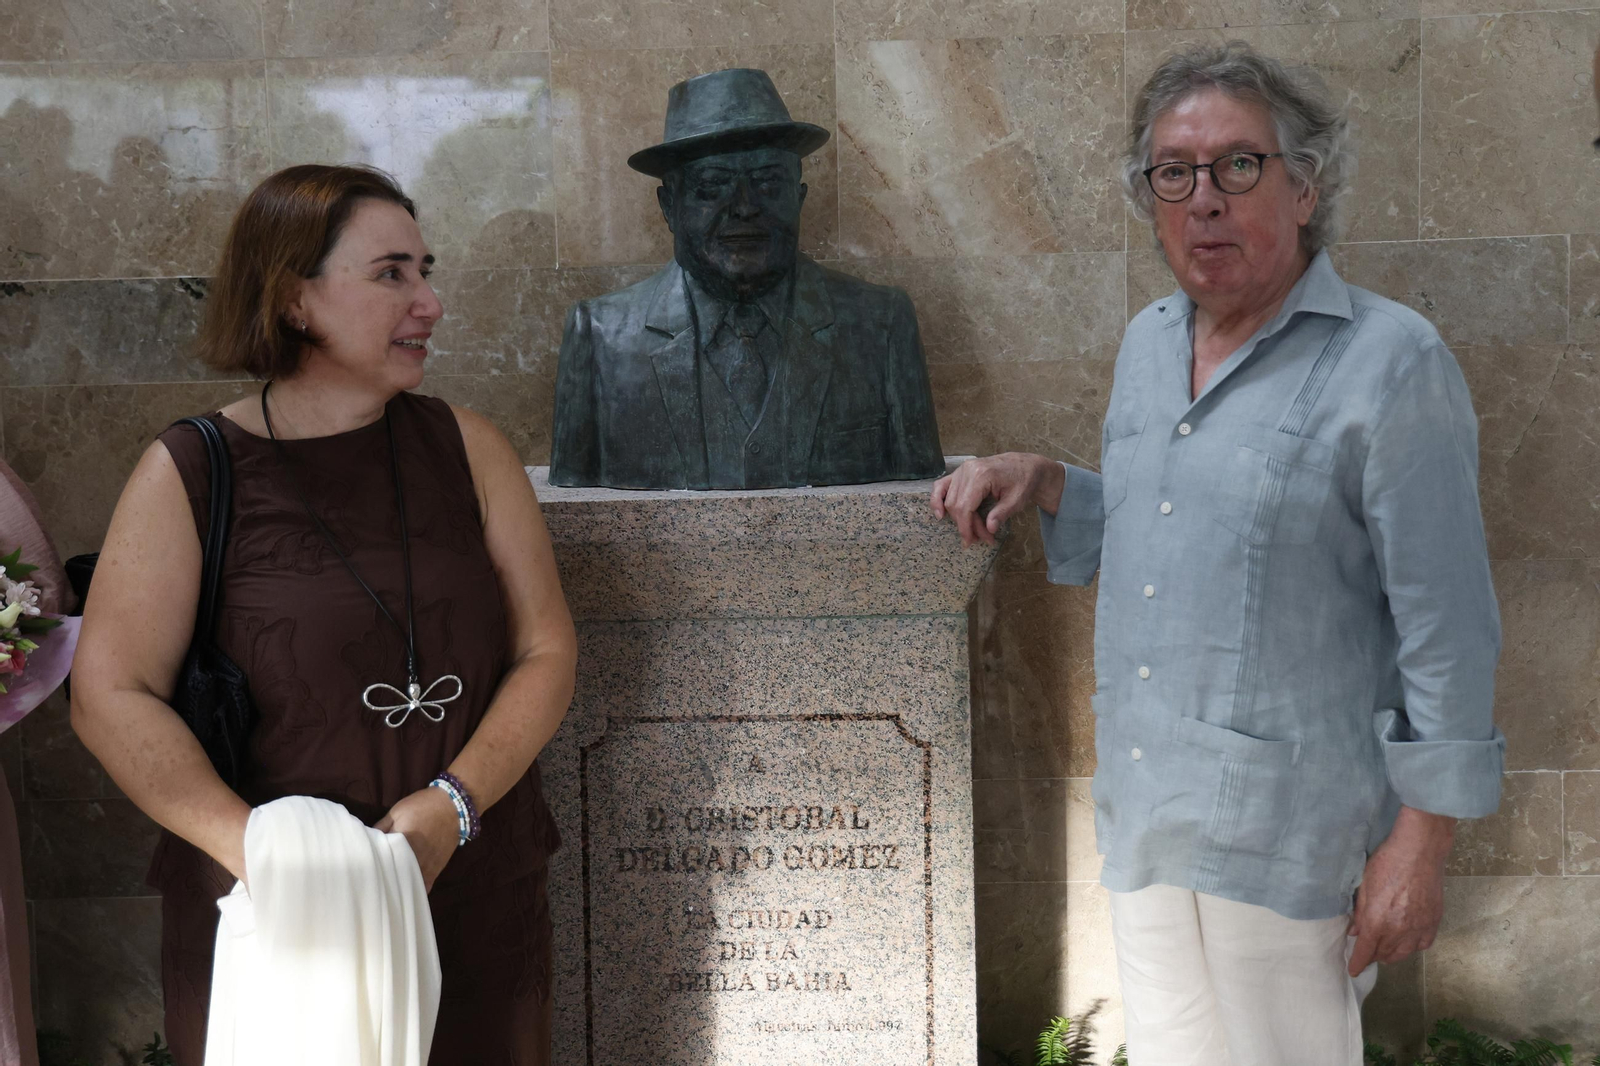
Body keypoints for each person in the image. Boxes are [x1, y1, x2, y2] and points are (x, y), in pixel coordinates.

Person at [933, 43, 1503, 1065]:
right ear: (1148, 199)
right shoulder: (1148, 343)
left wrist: (1423, 839)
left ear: (1302, 185)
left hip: (1292, 836)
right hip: (1151, 809)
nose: (1204, 198)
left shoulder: (1390, 359)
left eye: (1238, 165)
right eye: (1173, 172)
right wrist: (1054, 481)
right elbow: (1186, 535)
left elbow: (1447, 622)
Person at [70, 164, 577, 1065]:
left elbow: (544, 648)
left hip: (469, 883)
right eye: (392, 274)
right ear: (293, 298)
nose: (430, 301)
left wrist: (448, 811)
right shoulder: (191, 468)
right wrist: (272, 855)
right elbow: (111, 692)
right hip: (272, 916)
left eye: (425, 270)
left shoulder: (470, 446)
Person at [549, 67, 944, 490]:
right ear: (669, 206)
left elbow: (917, 488)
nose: (744, 207)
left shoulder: (881, 324)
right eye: (713, 184)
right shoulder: (598, 335)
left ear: (799, 197)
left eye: (768, 182)